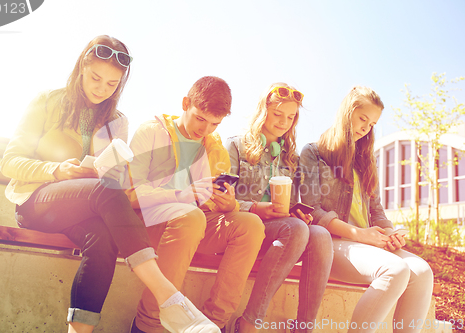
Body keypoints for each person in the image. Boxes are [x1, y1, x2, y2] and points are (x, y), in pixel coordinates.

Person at [0, 35, 219, 333]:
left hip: (85, 206)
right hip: (36, 201)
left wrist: (103, 173)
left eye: (112, 84)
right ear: (81, 68)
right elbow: (10, 162)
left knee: (103, 239)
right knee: (106, 194)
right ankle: (167, 297)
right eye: (95, 78)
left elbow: (115, 181)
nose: (102, 89)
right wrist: (56, 170)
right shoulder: (47, 101)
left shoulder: (118, 120)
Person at [125, 76, 266, 333]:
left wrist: (228, 205)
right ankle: (148, 325)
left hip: (194, 225)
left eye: (215, 123)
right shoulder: (151, 131)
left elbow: (215, 205)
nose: (205, 130)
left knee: (251, 225)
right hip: (150, 224)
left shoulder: (214, 147)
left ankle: (213, 324)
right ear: (185, 103)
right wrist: (181, 194)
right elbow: (129, 194)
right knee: (191, 216)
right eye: (200, 118)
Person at [299, 86, 434, 333]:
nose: (365, 127)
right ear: (347, 111)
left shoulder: (364, 160)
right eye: (363, 118)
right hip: (333, 243)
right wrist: (359, 234)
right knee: (395, 270)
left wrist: (390, 233)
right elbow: (312, 211)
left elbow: (376, 210)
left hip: (368, 246)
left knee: (423, 271)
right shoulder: (313, 153)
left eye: (371, 124)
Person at [225, 83, 333, 333]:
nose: (284, 122)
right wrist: (255, 208)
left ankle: (303, 328)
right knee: (296, 230)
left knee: (320, 234)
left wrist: (297, 211)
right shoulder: (236, 146)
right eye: (278, 114)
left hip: (279, 230)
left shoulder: (290, 158)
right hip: (244, 226)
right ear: (264, 111)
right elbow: (222, 198)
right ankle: (249, 323)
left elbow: (290, 204)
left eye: (291, 116)